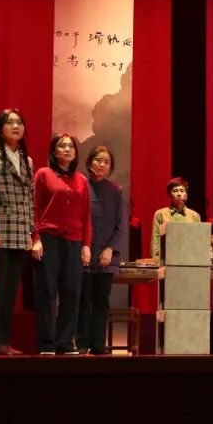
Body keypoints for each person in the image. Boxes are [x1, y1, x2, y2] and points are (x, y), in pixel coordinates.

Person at [33, 132, 92, 355]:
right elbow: (35, 207)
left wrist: (86, 245)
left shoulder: (81, 180)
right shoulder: (43, 174)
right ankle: (47, 343)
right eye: (62, 145)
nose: (67, 149)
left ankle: (65, 342)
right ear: (54, 151)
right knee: (47, 290)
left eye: (71, 146)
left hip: (74, 240)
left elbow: (86, 215)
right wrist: (35, 238)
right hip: (49, 238)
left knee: (71, 292)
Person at [0, 108, 33, 355]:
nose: (15, 126)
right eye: (10, 122)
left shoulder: (27, 160)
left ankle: (3, 339)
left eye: (19, 122)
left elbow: (30, 198)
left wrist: (31, 232)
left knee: (11, 292)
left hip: (20, 232)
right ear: (0, 130)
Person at [77, 146, 127, 355]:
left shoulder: (115, 190)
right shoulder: (81, 186)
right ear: (90, 162)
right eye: (98, 160)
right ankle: (81, 344)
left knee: (101, 301)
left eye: (106, 162)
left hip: (106, 255)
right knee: (83, 300)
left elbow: (121, 225)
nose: (102, 165)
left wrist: (110, 249)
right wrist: (83, 246)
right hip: (84, 253)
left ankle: (98, 344)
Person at [151, 177, 201, 260]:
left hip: (188, 259)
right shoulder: (160, 214)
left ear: (186, 195)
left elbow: (197, 241)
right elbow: (156, 240)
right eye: (175, 191)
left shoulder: (194, 216)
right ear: (169, 195)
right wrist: (156, 260)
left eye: (182, 190)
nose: (179, 194)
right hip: (166, 259)